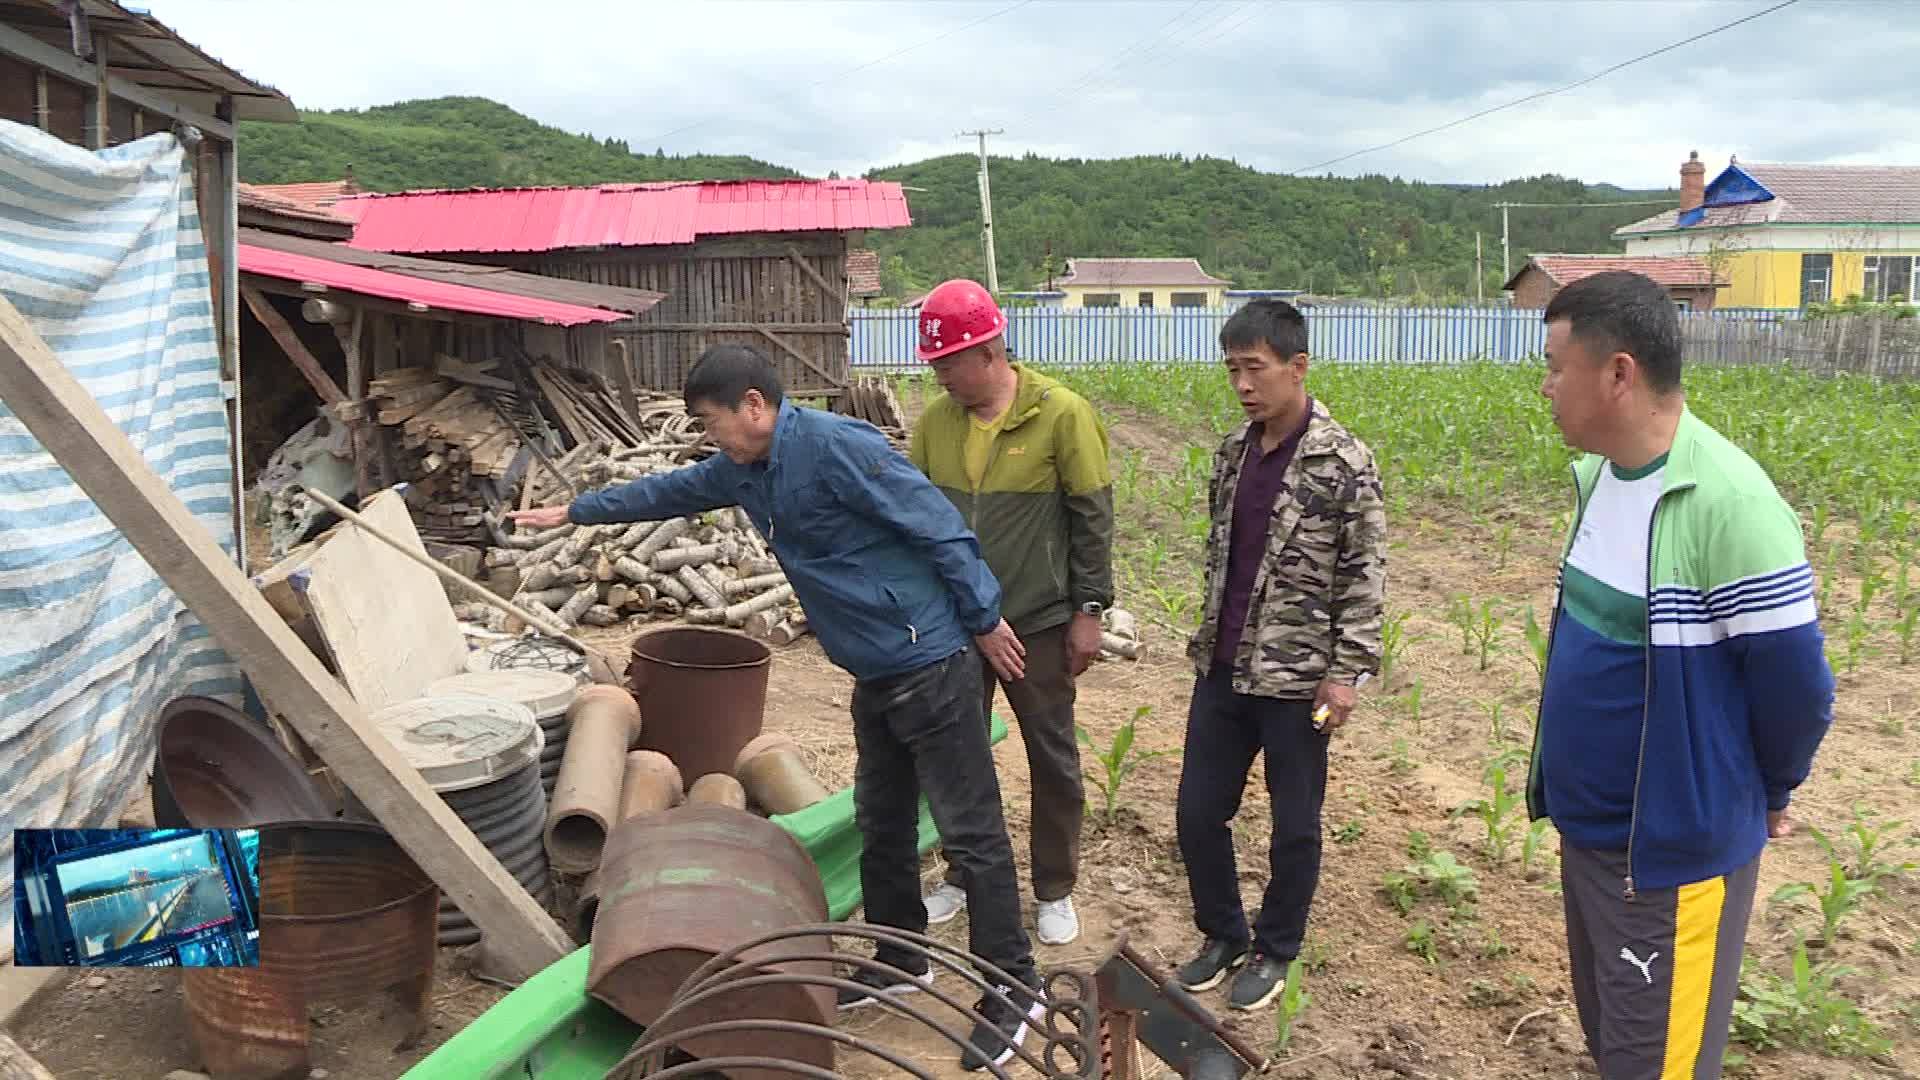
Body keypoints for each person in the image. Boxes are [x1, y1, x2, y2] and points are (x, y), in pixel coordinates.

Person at [508, 344, 1043, 1071]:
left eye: (711, 420)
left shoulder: (834, 447)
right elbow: (667, 492)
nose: (708, 436)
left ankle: (1014, 990)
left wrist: (984, 617)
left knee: (970, 831)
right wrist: (574, 510)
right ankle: (897, 959)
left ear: (754, 406)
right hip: (875, 670)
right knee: (880, 822)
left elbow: (934, 524)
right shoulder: (745, 469)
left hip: (930, 660)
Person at [1529, 270, 1834, 1079]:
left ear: (1619, 374)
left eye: (1556, 366)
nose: (1546, 386)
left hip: (1668, 858)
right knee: (1618, 1048)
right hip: (1593, 840)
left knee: (1657, 1065)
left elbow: (1798, 690)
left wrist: (1766, 792)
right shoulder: (1601, 480)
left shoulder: (1730, 505)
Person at [1173, 299, 1386, 1011]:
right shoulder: (1232, 454)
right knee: (1198, 813)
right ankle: (1224, 933)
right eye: (1231, 369)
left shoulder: (1344, 462)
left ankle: (1275, 948)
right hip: (1226, 666)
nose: (1241, 384)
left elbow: (1364, 575)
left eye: (1254, 368)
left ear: (1297, 367)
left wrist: (1348, 671)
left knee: (1295, 825)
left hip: (1300, 680)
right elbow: (1221, 559)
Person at [906, 279, 1115, 948]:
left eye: (947, 364)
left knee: (1051, 755)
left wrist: (1089, 609)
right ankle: (969, 872)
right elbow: (920, 516)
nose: (939, 378)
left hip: (1040, 620)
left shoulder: (1060, 414)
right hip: (958, 624)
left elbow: (1092, 518)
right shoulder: (937, 423)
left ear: (990, 351)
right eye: (934, 366)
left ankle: (1055, 887)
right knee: (957, 755)